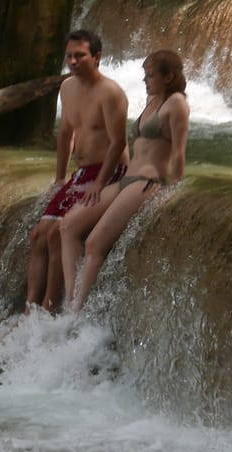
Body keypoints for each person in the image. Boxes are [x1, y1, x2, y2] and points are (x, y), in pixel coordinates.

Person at [60, 49, 190, 316]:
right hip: (127, 180)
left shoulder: (177, 103)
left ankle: (77, 311)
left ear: (169, 77)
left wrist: (175, 190)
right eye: (145, 75)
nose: (145, 80)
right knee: (69, 225)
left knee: (95, 243)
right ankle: (70, 299)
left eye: (150, 75)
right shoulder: (152, 99)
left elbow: (178, 153)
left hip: (146, 182)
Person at [24, 29, 126, 312]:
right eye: (69, 56)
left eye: (80, 55)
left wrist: (101, 183)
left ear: (97, 57)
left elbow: (119, 143)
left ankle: (50, 305)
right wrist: (59, 177)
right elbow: (65, 134)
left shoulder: (111, 93)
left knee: (57, 231)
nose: (73, 61)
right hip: (81, 173)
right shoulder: (67, 87)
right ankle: (29, 308)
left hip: (110, 170)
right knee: (38, 234)